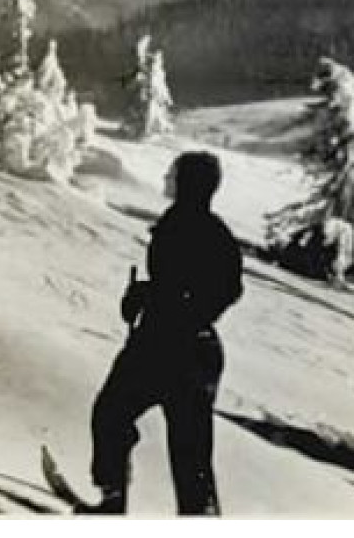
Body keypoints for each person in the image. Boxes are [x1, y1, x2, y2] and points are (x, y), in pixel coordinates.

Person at [86, 150, 243, 515]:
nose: (167, 179)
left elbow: (201, 289)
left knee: (111, 412)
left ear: (187, 183)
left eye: (174, 174)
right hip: (197, 351)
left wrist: (162, 303)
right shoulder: (213, 230)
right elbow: (222, 288)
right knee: (191, 453)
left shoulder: (183, 225)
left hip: (165, 347)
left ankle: (113, 500)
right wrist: (151, 296)